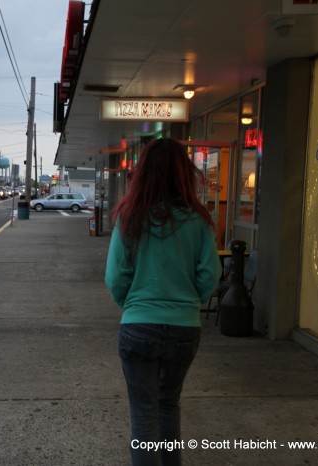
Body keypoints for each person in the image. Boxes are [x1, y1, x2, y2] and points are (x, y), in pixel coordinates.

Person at [105, 138, 221, 466]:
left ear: (143, 174)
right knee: (168, 407)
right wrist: (188, 303)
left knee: (143, 417)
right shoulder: (198, 220)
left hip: (138, 325)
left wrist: (132, 305)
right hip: (185, 328)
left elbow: (115, 276)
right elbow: (209, 275)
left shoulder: (130, 216)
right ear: (184, 173)